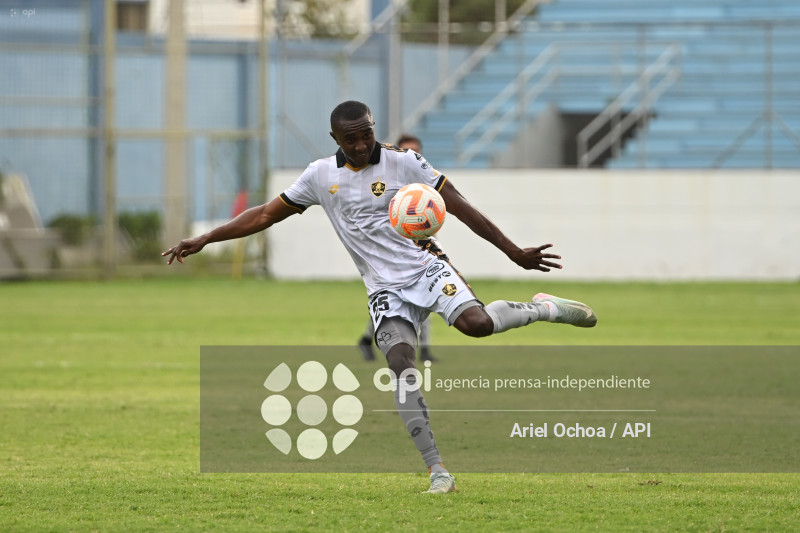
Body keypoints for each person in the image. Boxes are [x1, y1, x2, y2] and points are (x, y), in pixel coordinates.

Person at [163, 101, 597, 494]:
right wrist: (205, 238)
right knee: (401, 365)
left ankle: (542, 307)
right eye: (350, 138)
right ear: (335, 139)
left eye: (366, 133)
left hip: (427, 269)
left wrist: (513, 251)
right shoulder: (320, 176)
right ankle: (437, 470)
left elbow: (460, 206)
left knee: (477, 325)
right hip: (383, 289)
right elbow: (263, 215)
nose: (361, 143)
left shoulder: (404, 162)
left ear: (373, 127)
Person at [357, 133, 437, 363]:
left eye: (416, 151)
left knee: (425, 295)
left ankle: (425, 349)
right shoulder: (386, 183)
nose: (413, 155)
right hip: (391, 252)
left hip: (417, 247)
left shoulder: (423, 181)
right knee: (391, 300)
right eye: (408, 150)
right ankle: (368, 338)